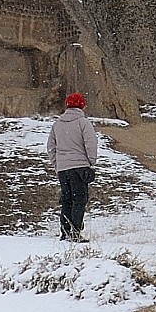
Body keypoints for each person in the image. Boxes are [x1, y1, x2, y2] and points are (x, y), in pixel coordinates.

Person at [47, 91, 99, 241]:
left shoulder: (57, 124)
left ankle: (65, 232)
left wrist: (57, 165)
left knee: (66, 200)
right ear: (82, 105)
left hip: (63, 169)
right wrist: (90, 162)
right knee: (79, 200)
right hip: (79, 167)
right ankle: (75, 233)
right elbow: (91, 143)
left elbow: (51, 146)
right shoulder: (83, 123)